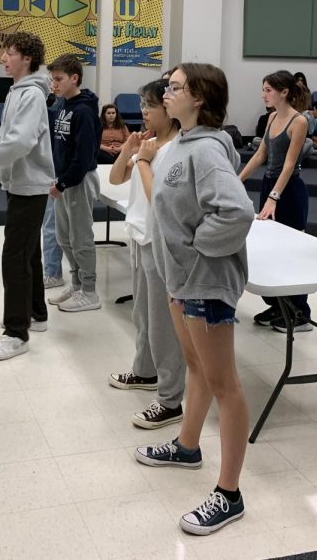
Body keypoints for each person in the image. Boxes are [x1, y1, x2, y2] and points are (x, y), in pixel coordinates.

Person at [135, 64, 255, 536]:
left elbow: (237, 210)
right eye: (168, 86)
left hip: (204, 280)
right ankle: (187, 446)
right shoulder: (178, 145)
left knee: (224, 383)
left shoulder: (205, 151)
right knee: (197, 368)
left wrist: (195, 250)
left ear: (200, 98)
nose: (167, 92)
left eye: (177, 87)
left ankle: (230, 493)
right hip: (182, 279)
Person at [108, 79, 186, 430]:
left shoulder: (177, 149)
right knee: (142, 315)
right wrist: (130, 150)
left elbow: (163, 201)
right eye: (142, 105)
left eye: (151, 105)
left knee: (164, 325)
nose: (144, 111)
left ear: (169, 109)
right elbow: (114, 178)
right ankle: (144, 371)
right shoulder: (148, 144)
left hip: (161, 242)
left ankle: (170, 399)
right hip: (140, 237)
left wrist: (143, 159)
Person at [0, 32, 54, 360]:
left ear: (26, 57)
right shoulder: (19, 92)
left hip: (29, 186)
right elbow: (10, 136)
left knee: (14, 257)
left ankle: (16, 332)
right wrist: (3, 166)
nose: (3, 58)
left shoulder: (32, 95)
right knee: (28, 254)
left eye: (9, 53)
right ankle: (37, 313)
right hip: (20, 182)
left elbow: (20, 140)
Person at [239, 71, 312, 332]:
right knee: (271, 251)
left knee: (290, 252)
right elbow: (261, 155)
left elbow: (290, 165)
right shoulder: (271, 118)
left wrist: (274, 197)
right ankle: (280, 305)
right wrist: (239, 180)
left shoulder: (298, 121)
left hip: (288, 190)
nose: (264, 94)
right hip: (272, 186)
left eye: (268, 89)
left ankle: (300, 313)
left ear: (284, 92)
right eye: (263, 89)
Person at [46, 54, 102, 312]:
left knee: (81, 238)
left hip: (78, 181)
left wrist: (65, 182)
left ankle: (89, 291)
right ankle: (77, 283)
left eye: (58, 79)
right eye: (52, 79)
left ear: (74, 78)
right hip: (63, 180)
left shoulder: (84, 111)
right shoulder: (63, 106)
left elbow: (83, 156)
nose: (53, 84)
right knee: (63, 236)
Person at [42, 91, 64, 289]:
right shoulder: (54, 107)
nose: (54, 84)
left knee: (53, 226)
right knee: (51, 226)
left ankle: (53, 272)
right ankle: (52, 271)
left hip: (60, 175)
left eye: (58, 79)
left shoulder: (67, 110)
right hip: (53, 173)